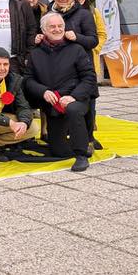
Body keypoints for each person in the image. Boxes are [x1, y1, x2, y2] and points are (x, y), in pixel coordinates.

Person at [24, 13, 97, 172]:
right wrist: (43, 91)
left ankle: (81, 155)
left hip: (76, 99)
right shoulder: (35, 53)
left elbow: (89, 77)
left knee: (73, 109)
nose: (57, 29)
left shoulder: (76, 49)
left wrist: (73, 96)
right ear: (43, 30)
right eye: (52, 27)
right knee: (59, 151)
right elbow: (28, 79)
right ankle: (81, 143)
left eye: (60, 26)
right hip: (52, 104)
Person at [43, 0, 100, 149]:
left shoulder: (84, 14)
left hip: (80, 66)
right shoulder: (48, 13)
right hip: (57, 67)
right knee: (59, 103)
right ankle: (61, 138)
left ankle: (88, 139)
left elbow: (93, 41)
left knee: (86, 103)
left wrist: (77, 37)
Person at [73, 0, 108, 79]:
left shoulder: (93, 11)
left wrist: (96, 48)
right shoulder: (69, 11)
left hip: (90, 54)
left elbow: (102, 34)